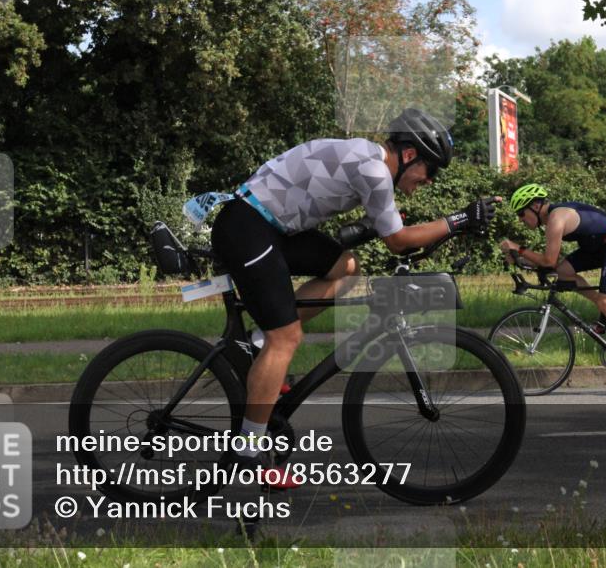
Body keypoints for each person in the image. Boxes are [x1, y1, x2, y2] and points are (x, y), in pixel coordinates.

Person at [210, 108, 499, 484]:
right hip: (247, 225)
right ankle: (247, 454)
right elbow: (397, 241)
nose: (429, 181)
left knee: (345, 268)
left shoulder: (367, 160)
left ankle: (257, 343)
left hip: (272, 226)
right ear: (409, 155)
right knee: (288, 337)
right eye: (430, 170)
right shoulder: (375, 170)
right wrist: (457, 221)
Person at [498, 183, 606, 383]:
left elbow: (548, 261)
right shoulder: (552, 218)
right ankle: (605, 307)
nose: (520, 219)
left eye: (521, 213)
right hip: (597, 245)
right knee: (564, 272)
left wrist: (520, 249)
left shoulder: (555, 219)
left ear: (535, 206)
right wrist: (520, 257)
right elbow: (552, 266)